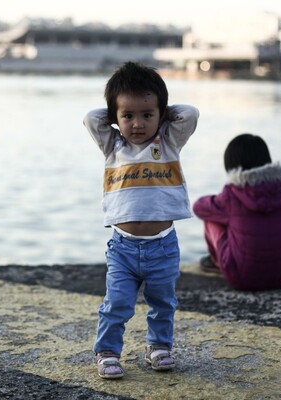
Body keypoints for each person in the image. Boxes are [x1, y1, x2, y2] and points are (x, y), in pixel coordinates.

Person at [83, 61, 199, 379]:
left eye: (147, 114)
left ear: (159, 115)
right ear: (116, 118)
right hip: (123, 248)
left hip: (163, 246)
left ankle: (158, 346)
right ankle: (107, 351)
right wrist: (114, 113)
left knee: (163, 301)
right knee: (117, 303)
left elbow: (189, 113)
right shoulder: (113, 145)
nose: (137, 124)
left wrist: (162, 110)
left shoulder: (168, 141)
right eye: (128, 115)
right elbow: (91, 119)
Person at [192, 133, 281, 291]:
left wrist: (219, 202)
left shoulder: (232, 194)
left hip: (242, 277)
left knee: (212, 218)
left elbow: (198, 208)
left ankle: (216, 262)